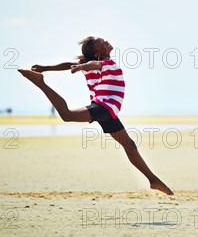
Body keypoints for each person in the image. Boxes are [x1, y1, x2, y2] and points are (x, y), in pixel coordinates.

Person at [18, 36, 174, 196]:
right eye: (102, 42)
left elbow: (68, 65)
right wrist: (82, 66)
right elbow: (95, 64)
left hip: (109, 112)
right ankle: (40, 82)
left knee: (130, 146)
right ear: (98, 52)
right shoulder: (104, 63)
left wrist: (46, 67)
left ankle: (153, 180)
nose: (106, 41)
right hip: (102, 108)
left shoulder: (98, 64)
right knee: (67, 115)